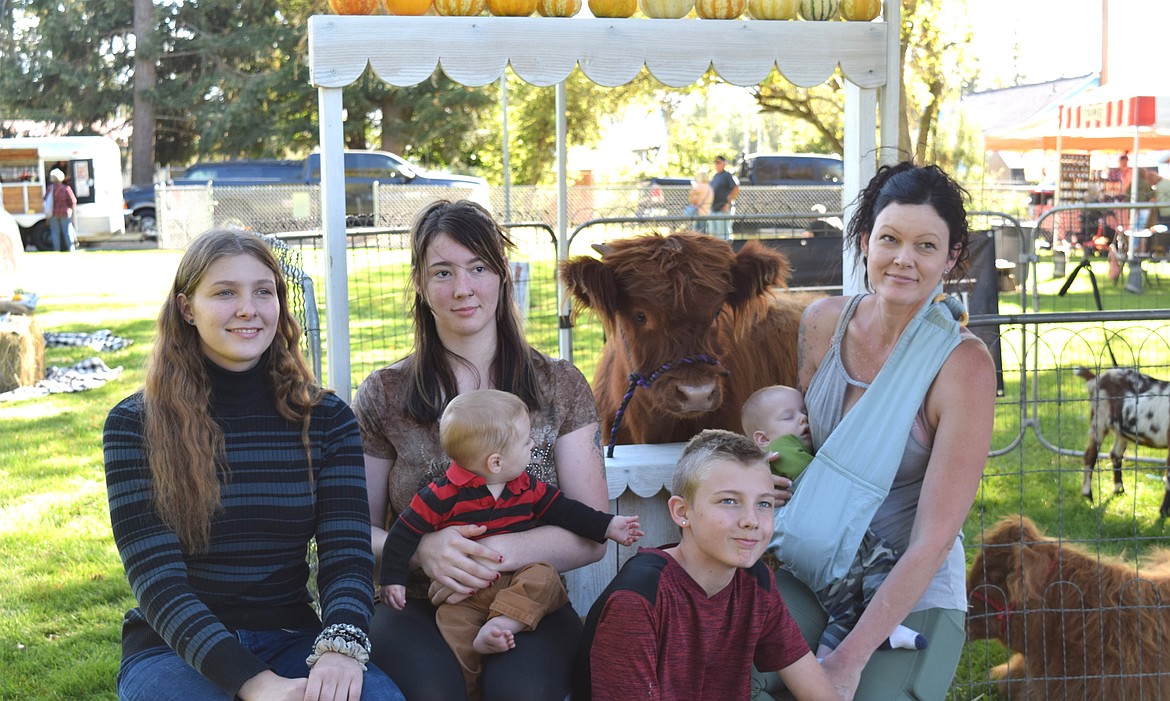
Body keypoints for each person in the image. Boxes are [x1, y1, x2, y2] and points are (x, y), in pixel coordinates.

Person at [103, 229, 405, 701]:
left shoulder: (325, 418)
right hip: (172, 649)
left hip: (293, 638)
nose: (248, 308)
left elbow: (346, 550)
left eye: (263, 292)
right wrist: (256, 684)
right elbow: (157, 583)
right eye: (225, 293)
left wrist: (340, 646)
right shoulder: (134, 424)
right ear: (187, 308)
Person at [352, 199, 609, 701]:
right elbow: (355, 528)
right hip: (415, 602)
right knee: (433, 693)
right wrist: (424, 550)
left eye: (478, 268)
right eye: (443, 272)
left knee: (520, 693)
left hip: (524, 599)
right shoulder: (385, 394)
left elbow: (593, 530)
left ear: (502, 275)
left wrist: (492, 555)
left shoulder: (559, 385)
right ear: (422, 286)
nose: (463, 288)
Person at [770, 162, 996, 700]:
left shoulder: (963, 366)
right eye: (890, 239)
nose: (903, 259)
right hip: (814, 567)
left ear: (952, 257)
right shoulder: (823, 322)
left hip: (905, 590)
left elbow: (932, 539)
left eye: (925, 246)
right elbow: (805, 448)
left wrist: (846, 662)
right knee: (728, 669)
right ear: (866, 240)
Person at [379, 389, 642, 701]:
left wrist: (609, 525)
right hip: (464, 594)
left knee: (543, 577)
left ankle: (506, 621)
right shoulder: (441, 495)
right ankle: (474, 672)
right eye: (526, 442)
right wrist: (392, 579)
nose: (533, 446)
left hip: (518, 581)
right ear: (496, 462)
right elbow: (402, 534)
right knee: (453, 628)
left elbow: (568, 512)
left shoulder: (526, 487)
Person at [574, 429, 840, 701]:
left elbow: (817, 691)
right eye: (728, 501)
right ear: (681, 512)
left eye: (764, 503)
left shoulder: (755, 581)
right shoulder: (639, 600)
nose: (751, 520)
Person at [741, 385, 927, 658]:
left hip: (807, 558)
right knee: (881, 557)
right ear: (762, 438)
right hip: (826, 542)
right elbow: (815, 475)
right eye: (788, 416)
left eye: (803, 413)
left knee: (843, 612)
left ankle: (824, 659)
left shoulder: (758, 466)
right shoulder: (781, 451)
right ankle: (888, 627)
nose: (803, 419)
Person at [46, 168, 77, 251]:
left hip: (53, 213)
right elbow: (73, 201)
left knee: (55, 233)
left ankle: (57, 250)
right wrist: (73, 215)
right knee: (67, 232)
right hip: (65, 213)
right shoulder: (66, 188)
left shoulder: (50, 189)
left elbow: (46, 201)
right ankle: (71, 249)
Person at [709, 155, 740, 239]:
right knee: (713, 234)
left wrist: (728, 203)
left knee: (723, 234)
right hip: (714, 209)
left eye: (719, 163)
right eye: (715, 163)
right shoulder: (715, 176)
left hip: (723, 209)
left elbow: (736, 188)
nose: (717, 165)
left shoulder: (727, 175)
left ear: (724, 164)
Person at [688, 168, 715, 233]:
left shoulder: (698, 186)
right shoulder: (710, 187)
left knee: (697, 233)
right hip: (707, 213)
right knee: (704, 232)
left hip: (699, 213)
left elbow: (692, 200)